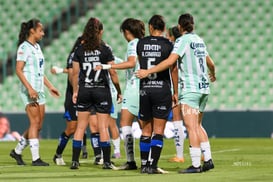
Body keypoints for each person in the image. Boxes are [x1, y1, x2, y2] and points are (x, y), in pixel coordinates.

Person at [136, 13, 216, 173]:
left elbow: (170, 62)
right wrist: (213, 74)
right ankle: (208, 160)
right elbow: (211, 63)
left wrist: (148, 71)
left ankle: (195, 165)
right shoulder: (199, 40)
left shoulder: (182, 40)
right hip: (204, 88)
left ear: (180, 27)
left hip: (190, 89)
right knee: (199, 125)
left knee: (191, 126)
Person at [70, 17, 122, 170]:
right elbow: (112, 72)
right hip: (101, 91)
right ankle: (106, 162)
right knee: (103, 127)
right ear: (101, 31)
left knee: (80, 127)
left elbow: (74, 74)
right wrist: (119, 91)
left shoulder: (79, 49)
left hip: (85, 90)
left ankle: (74, 161)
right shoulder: (105, 49)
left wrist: (75, 91)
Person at [10, 18, 60, 166]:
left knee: (38, 125)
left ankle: (17, 151)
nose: (43, 33)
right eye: (41, 30)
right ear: (32, 31)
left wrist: (50, 86)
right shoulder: (24, 48)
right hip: (29, 90)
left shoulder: (37, 47)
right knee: (34, 122)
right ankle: (35, 158)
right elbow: (18, 70)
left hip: (39, 90)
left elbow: (39, 71)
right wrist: (30, 88)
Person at [96, 18, 145, 170]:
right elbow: (133, 63)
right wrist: (113, 61)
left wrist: (106, 66)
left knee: (125, 123)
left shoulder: (132, 44)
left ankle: (131, 161)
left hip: (133, 88)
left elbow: (130, 63)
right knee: (145, 126)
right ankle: (148, 161)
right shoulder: (143, 43)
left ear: (127, 32)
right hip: (144, 88)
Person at [136, 15, 174, 174]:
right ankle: (153, 166)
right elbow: (173, 69)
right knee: (158, 130)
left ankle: (144, 164)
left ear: (150, 27)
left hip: (145, 89)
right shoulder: (168, 45)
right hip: (161, 89)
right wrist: (176, 91)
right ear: (164, 28)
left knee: (145, 129)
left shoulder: (141, 43)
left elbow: (141, 62)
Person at [51, 37, 89, 166]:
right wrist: (76, 92)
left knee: (84, 126)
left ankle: (89, 154)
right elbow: (72, 74)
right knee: (72, 127)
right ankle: (58, 154)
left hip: (87, 95)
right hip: (73, 96)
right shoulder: (74, 55)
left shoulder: (89, 55)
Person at [166, 26, 186, 163]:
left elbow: (173, 69)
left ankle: (180, 155)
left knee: (177, 120)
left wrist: (175, 91)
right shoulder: (185, 46)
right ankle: (203, 151)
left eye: (168, 35)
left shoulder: (173, 48)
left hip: (177, 86)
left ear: (173, 37)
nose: (167, 37)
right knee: (195, 123)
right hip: (187, 85)